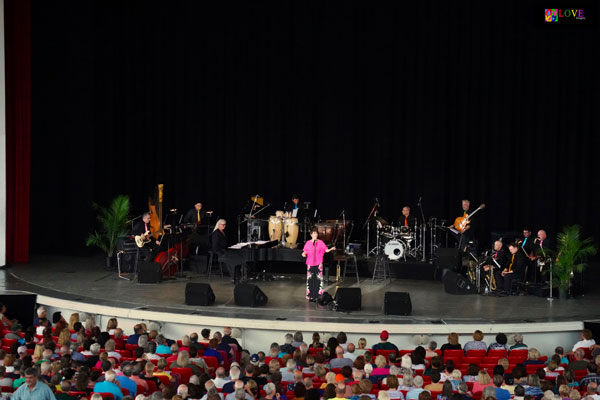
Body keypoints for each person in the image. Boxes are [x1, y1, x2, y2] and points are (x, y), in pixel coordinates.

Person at [302, 229, 335, 301]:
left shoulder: (320, 242)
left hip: (318, 262)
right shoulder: (308, 243)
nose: (315, 235)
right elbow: (304, 252)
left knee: (318, 279)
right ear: (311, 235)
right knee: (310, 279)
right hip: (310, 263)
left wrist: (330, 249)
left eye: (316, 233)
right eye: (314, 233)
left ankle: (318, 295)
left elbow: (325, 250)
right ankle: (310, 295)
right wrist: (303, 254)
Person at [211, 219, 245, 283]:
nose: (224, 226)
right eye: (223, 225)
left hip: (225, 250)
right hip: (220, 252)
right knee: (230, 259)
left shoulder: (222, 232)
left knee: (236, 255)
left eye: (225, 225)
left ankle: (237, 275)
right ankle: (233, 277)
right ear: (219, 225)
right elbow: (215, 247)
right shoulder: (216, 233)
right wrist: (223, 253)